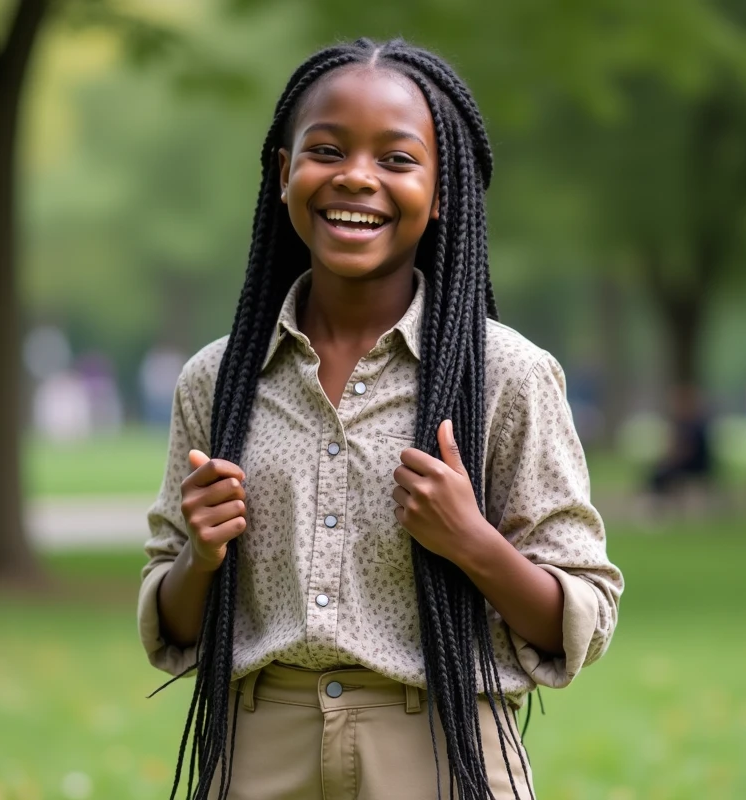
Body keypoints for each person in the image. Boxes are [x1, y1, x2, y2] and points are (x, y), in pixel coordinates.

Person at [138, 39, 623, 800]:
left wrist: (472, 542)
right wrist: (199, 556)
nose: (356, 177)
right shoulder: (217, 379)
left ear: (441, 193)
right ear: (282, 173)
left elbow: (582, 615)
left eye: (397, 159)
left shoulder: (504, 374)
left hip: (444, 747)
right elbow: (173, 623)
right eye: (325, 149)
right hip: (259, 746)